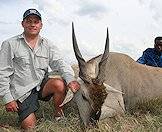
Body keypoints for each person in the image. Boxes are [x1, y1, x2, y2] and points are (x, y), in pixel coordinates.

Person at [0, 8, 80, 130]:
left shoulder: (48, 44)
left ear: (41, 25)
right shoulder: (9, 44)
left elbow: (59, 63)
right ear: (23, 24)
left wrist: (70, 79)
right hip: (22, 91)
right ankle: (21, 119)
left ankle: (59, 116)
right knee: (30, 127)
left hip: (40, 85)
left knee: (59, 84)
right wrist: (8, 99)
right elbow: (3, 72)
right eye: (29, 21)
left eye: (36, 21)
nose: (32, 24)